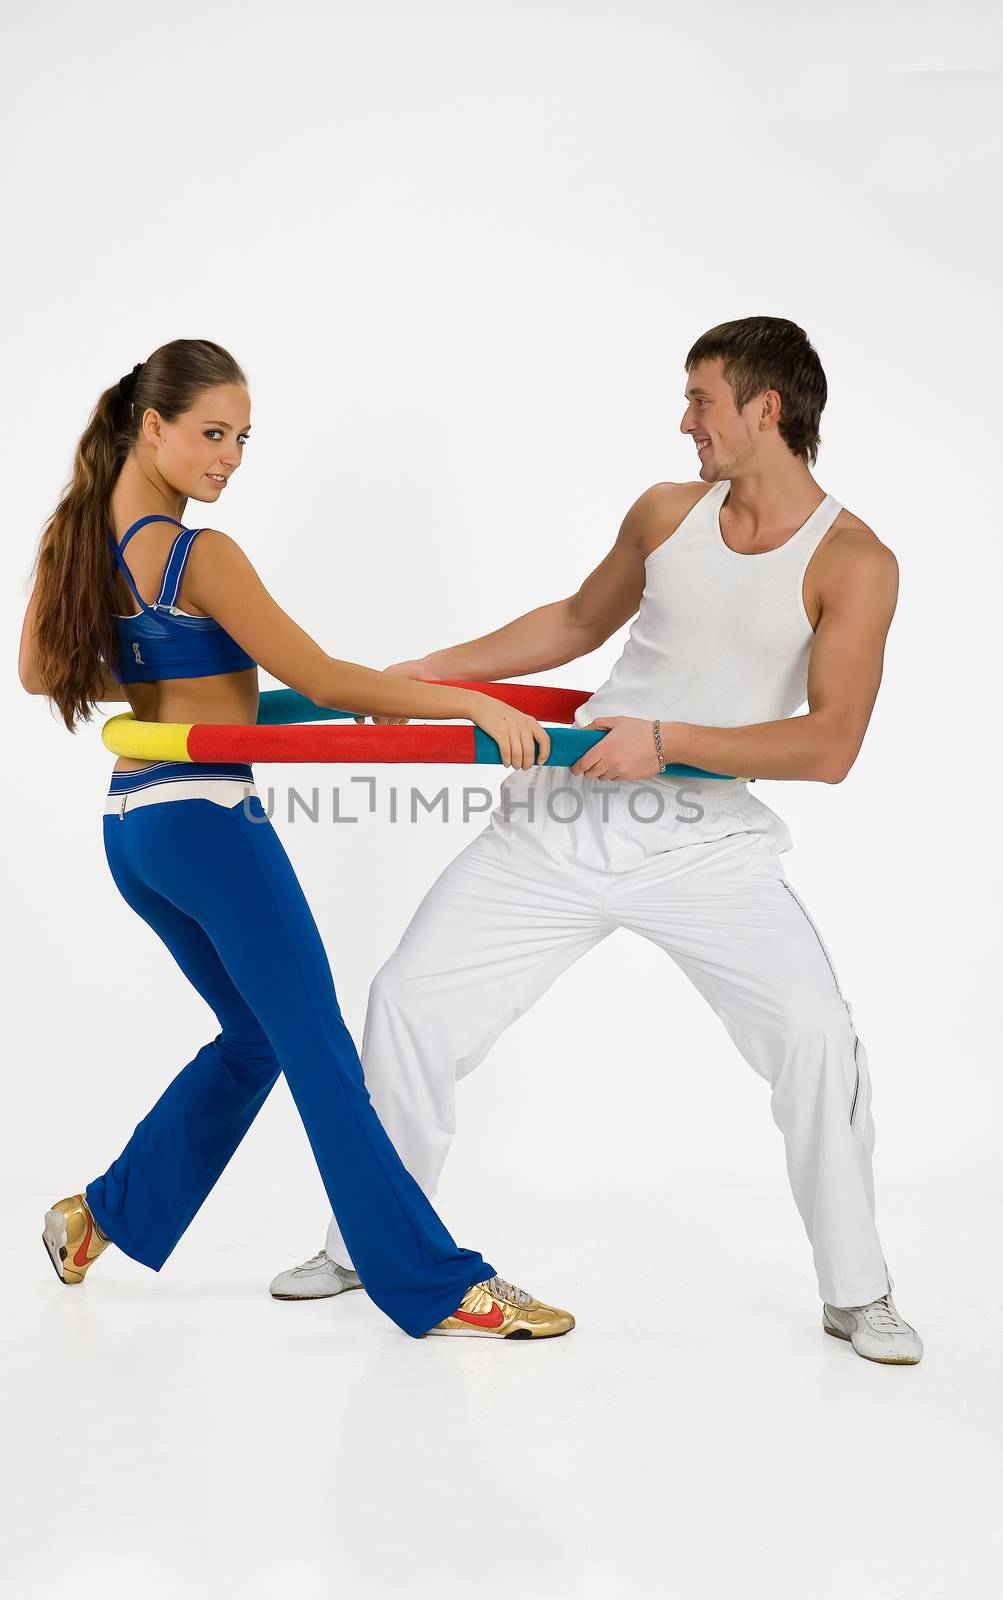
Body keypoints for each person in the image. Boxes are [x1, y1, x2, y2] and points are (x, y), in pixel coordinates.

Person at [270, 316, 923, 1365]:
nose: (683, 422)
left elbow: (829, 742)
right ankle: (367, 1242)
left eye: (700, 401)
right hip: (563, 825)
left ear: (766, 407)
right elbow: (576, 621)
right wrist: (424, 678)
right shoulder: (667, 512)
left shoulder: (853, 560)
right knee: (407, 1001)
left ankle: (858, 1290)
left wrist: (662, 741)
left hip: (702, 842)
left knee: (810, 1032)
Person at [17, 337, 574, 1341]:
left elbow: (40, 672)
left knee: (259, 1038)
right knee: (318, 1050)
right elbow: (323, 682)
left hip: (133, 825)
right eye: (210, 432)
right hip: (204, 815)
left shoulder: (86, 536)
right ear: (151, 426)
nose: (229, 455)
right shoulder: (201, 554)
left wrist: (181, 692)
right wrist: (467, 704)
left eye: (241, 438)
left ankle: (100, 1214)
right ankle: (436, 1282)